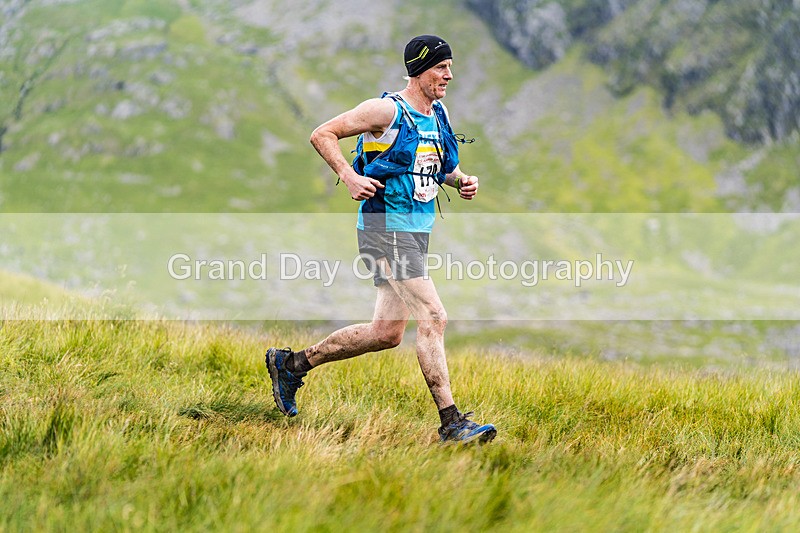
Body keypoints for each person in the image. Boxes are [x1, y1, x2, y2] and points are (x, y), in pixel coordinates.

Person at [265, 35, 496, 444]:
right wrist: (349, 176)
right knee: (434, 316)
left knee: (386, 333)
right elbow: (323, 134)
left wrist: (462, 181)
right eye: (441, 67)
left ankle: (292, 364)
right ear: (420, 69)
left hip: (415, 232)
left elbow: (435, 166)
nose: (449, 75)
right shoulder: (385, 110)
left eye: (450, 66)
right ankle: (452, 423)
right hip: (383, 228)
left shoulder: (438, 114)